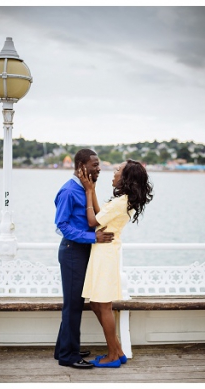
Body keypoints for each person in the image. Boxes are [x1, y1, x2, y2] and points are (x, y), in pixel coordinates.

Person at [80, 160, 153, 368]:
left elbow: (93, 221)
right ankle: (118, 350)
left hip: (105, 254)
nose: (113, 172)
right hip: (104, 252)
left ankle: (112, 355)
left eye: (117, 170)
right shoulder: (124, 200)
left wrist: (87, 192)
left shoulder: (121, 202)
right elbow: (101, 214)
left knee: (103, 305)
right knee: (96, 303)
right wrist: (92, 189)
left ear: (126, 177)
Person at [53, 149, 114, 369]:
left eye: (99, 165)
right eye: (94, 165)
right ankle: (69, 356)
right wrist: (93, 237)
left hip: (80, 251)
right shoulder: (69, 191)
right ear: (81, 166)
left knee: (75, 303)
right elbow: (61, 225)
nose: (99, 169)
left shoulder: (83, 189)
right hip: (71, 252)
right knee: (73, 305)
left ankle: (63, 349)